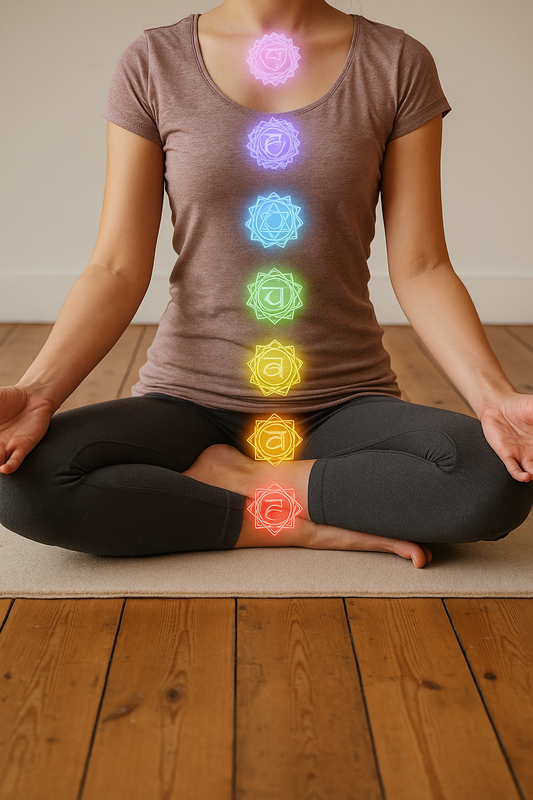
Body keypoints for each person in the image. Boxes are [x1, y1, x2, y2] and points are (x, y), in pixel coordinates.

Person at [0, 0, 532, 569]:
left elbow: (422, 264)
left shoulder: (396, 62)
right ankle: (287, 522)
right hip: (189, 401)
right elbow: (116, 269)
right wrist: (37, 394)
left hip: (341, 403)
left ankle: (240, 481)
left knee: (491, 480)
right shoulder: (154, 61)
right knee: (23, 481)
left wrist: (494, 398)